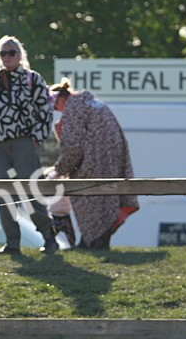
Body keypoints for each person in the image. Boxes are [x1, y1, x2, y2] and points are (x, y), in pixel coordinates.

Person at [0, 36, 59, 254]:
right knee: (4, 193)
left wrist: (36, 137)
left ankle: (49, 236)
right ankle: (12, 242)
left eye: (11, 52)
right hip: (0, 146)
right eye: (3, 53)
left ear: (20, 55)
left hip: (24, 142)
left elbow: (45, 112)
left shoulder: (33, 79)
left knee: (30, 191)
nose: (7, 56)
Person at [49, 78, 139, 250]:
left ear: (61, 99)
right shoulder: (95, 104)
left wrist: (60, 169)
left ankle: (90, 243)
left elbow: (72, 147)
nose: (57, 111)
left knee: (90, 203)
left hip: (92, 165)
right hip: (112, 161)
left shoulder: (73, 109)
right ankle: (95, 242)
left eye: (55, 107)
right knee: (106, 203)